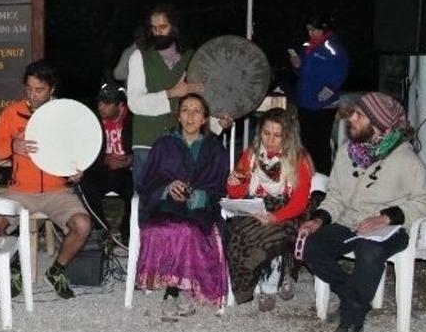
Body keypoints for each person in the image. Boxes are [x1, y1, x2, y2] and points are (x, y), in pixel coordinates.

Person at [300, 92, 426, 332]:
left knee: (369, 250)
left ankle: (352, 319)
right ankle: (353, 298)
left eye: (359, 115)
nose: (350, 118)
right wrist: (320, 218)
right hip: (349, 222)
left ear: (380, 124)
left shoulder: (405, 159)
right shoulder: (347, 152)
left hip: (389, 229)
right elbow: (336, 195)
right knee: (310, 245)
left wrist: (388, 217)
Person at [0, 60, 91, 300]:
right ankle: (15, 267)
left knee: (82, 225)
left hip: (57, 191)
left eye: (39, 90)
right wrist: (12, 146)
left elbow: (78, 151)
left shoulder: (65, 115)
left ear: (52, 89)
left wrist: (76, 171)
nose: (32, 94)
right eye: (29, 89)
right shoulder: (12, 112)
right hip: (20, 191)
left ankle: (56, 270)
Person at [135, 93, 229, 318]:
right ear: (178, 116)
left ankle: (176, 291)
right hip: (164, 208)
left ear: (204, 119)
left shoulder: (214, 149)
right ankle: (177, 289)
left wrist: (197, 196)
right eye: (185, 110)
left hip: (199, 211)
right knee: (162, 229)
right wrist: (167, 189)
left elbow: (219, 186)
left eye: (197, 111)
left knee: (186, 231)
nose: (190, 116)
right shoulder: (163, 145)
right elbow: (145, 182)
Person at [126, 4, 230, 186]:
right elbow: (135, 103)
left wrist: (218, 123)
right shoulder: (139, 57)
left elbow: (200, 100)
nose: (158, 32)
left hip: (182, 143)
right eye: (154, 28)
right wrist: (173, 92)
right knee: (146, 196)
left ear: (174, 27)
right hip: (147, 143)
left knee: (180, 196)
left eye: (163, 27)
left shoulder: (192, 58)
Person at [225, 108, 313, 311]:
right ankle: (276, 277)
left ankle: (270, 286)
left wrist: (275, 216)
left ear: (288, 136)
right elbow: (236, 193)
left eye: (277, 135)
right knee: (242, 233)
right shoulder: (252, 155)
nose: (270, 140)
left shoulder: (298, 159)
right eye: (266, 133)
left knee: (272, 232)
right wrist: (234, 182)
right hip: (257, 206)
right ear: (259, 132)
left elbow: (299, 202)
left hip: (288, 209)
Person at [290, 14, 348, 175]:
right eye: (308, 30)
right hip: (305, 102)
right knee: (306, 144)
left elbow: (340, 72)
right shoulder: (307, 46)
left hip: (324, 105)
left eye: (314, 30)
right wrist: (297, 65)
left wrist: (325, 93)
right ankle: (307, 177)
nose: (310, 33)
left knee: (320, 145)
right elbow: (301, 72)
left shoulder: (333, 47)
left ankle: (323, 181)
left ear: (323, 29)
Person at [80, 80, 134, 245]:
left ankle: (128, 232)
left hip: (127, 170)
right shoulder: (93, 120)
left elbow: (144, 149)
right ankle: (102, 231)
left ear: (120, 105)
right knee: (84, 185)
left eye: (107, 103)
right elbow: (85, 149)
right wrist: (105, 159)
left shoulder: (133, 120)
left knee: (138, 188)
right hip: (102, 169)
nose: (101, 106)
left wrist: (128, 161)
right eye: (100, 102)